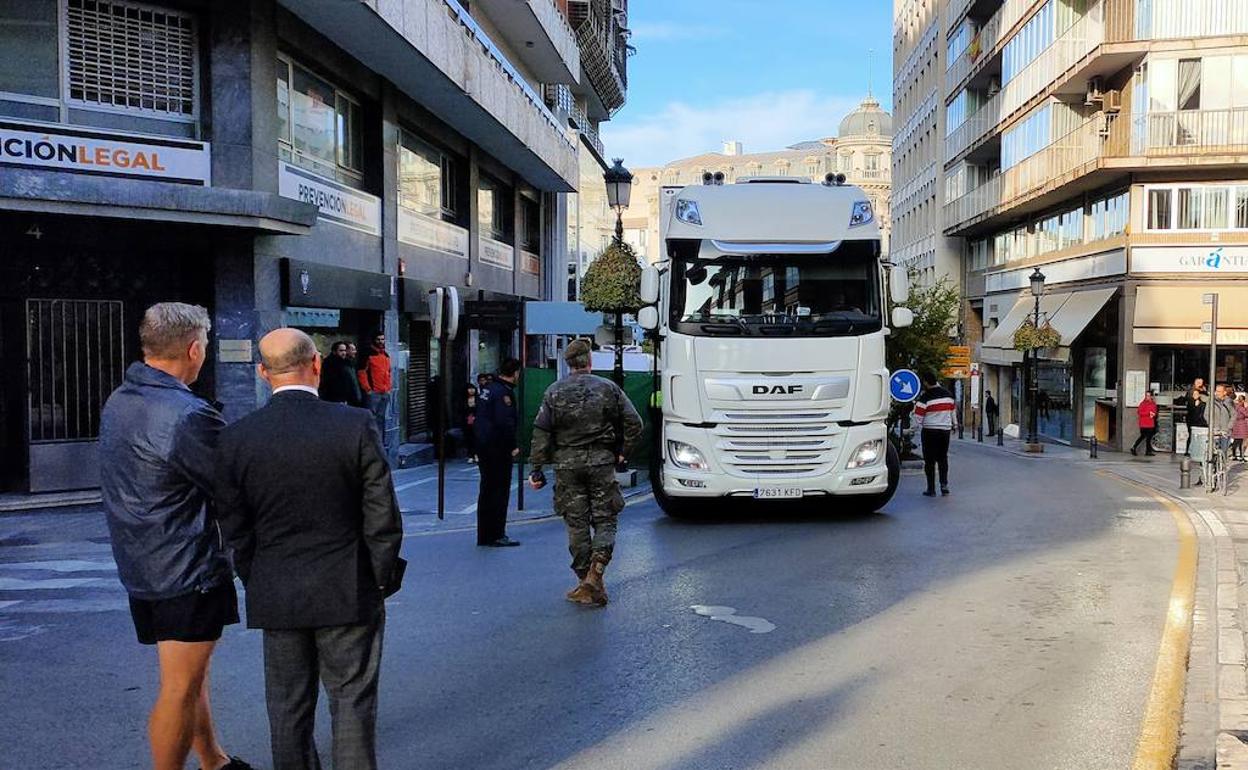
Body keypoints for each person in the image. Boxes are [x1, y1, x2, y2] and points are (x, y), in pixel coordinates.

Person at [215, 328, 404, 770]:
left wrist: (255, 576)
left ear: (263, 373)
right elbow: (382, 515)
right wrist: (377, 577)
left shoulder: (237, 437)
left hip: (276, 589)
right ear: (316, 364)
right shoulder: (355, 425)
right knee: (352, 702)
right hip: (348, 587)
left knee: (287, 709)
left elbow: (234, 525)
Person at [99, 303, 252, 770]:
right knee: (180, 687)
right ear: (193, 348)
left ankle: (213, 760)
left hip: (142, 563)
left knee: (188, 676)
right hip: (186, 569)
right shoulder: (185, 414)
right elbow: (234, 484)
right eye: (204, 344)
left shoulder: (121, 399)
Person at [529, 340, 643, 606]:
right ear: (589, 360)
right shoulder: (608, 388)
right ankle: (596, 573)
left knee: (576, 523)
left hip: (567, 465)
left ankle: (585, 581)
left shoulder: (554, 392)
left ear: (569, 363)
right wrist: (624, 451)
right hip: (601, 462)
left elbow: (541, 433)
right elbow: (634, 423)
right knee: (605, 519)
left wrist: (536, 469)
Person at [474, 359, 522, 547]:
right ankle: (496, 534)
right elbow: (505, 423)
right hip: (498, 448)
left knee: (486, 491)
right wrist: (513, 446)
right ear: (516, 373)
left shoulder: (488, 389)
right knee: (499, 491)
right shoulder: (503, 393)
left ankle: (484, 535)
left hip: (484, 447)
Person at [914, 374, 956, 497]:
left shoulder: (926, 397)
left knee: (929, 460)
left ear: (926, 382)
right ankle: (944, 485)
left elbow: (918, 417)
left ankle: (931, 489)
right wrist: (955, 424)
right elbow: (953, 411)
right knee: (943, 458)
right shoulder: (948, 394)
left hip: (930, 430)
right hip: (945, 431)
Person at [357, 331, 393, 454]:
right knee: (371, 419)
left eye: (382, 339)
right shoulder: (368, 355)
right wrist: (368, 389)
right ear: (374, 340)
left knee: (381, 419)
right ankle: (371, 444)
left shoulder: (386, 355)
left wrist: (388, 389)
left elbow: (388, 373)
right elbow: (361, 372)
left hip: (384, 392)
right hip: (374, 393)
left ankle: (379, 444)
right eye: (378, 339)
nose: (381, 341)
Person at [319, 341, 364, 407]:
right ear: (334, 352)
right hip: (335, 399)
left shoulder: (345, 363)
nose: (344, 353)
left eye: (345, 350)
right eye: (341, 350)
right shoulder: (330, 364)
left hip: (343, 399)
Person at [1185, 378, 1209, 457]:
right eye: (1199, 383)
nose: (1200, 385)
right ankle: (1189, 450)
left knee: (1199, 435)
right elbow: (1190, 406)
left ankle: (1196, 450)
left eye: (1201, 383)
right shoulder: (1191, 392)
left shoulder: (1203, 394)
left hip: (1201, 419)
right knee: (1192, 434)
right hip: (1193, 418)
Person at [1131, 391, 1158, 457]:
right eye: (1146, 395)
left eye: (1148, 396)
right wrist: (1148, 413)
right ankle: (1134, 447)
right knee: (1143, 436)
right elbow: (1139, 412)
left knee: (1148, 438)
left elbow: (1155, 412)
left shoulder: (1153, 404)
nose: (1147, 397)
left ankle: (1147, 451)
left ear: (1151, 396)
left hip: (1150, 423)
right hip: (1143, 423)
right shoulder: (1142, 404)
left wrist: (1154, 414)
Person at [464, 384, 479, 464]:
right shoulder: (463, 400)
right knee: (469, 438)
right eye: (469, 389)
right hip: (468, 420)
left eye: (472, 388)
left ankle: (476, 454)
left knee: (476, 437)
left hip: (477, 420)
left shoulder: (478, 399)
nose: (471, 390)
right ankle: (470, 455)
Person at [1233, 393, 1248, 461]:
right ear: (1243, 401)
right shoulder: (1241, 408)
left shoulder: (1235, 406)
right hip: (1241, 425)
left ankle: (1234, 455)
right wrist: (1246, 407)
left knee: (1236, 440)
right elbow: (1247, 414)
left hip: (1236, 424)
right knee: (1243, 441)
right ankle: (1241, 456)